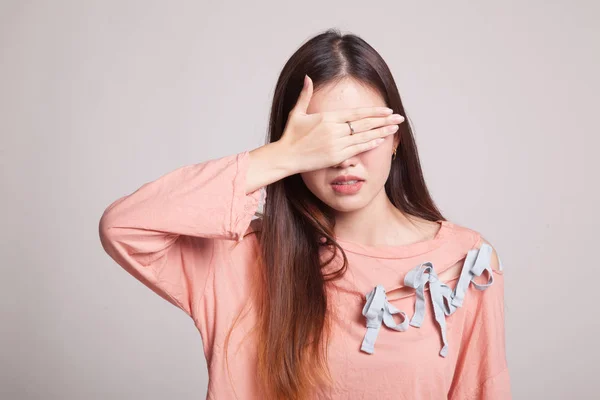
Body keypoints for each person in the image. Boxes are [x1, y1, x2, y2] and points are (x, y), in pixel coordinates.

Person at [98, 29, 511, 400]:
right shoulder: (245, 258)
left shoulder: (465, 263)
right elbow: (125, 227)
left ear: (395, 140)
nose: (343, 158)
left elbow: (482, 388)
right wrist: (283, 156)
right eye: (322, 139)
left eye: (362, 132)